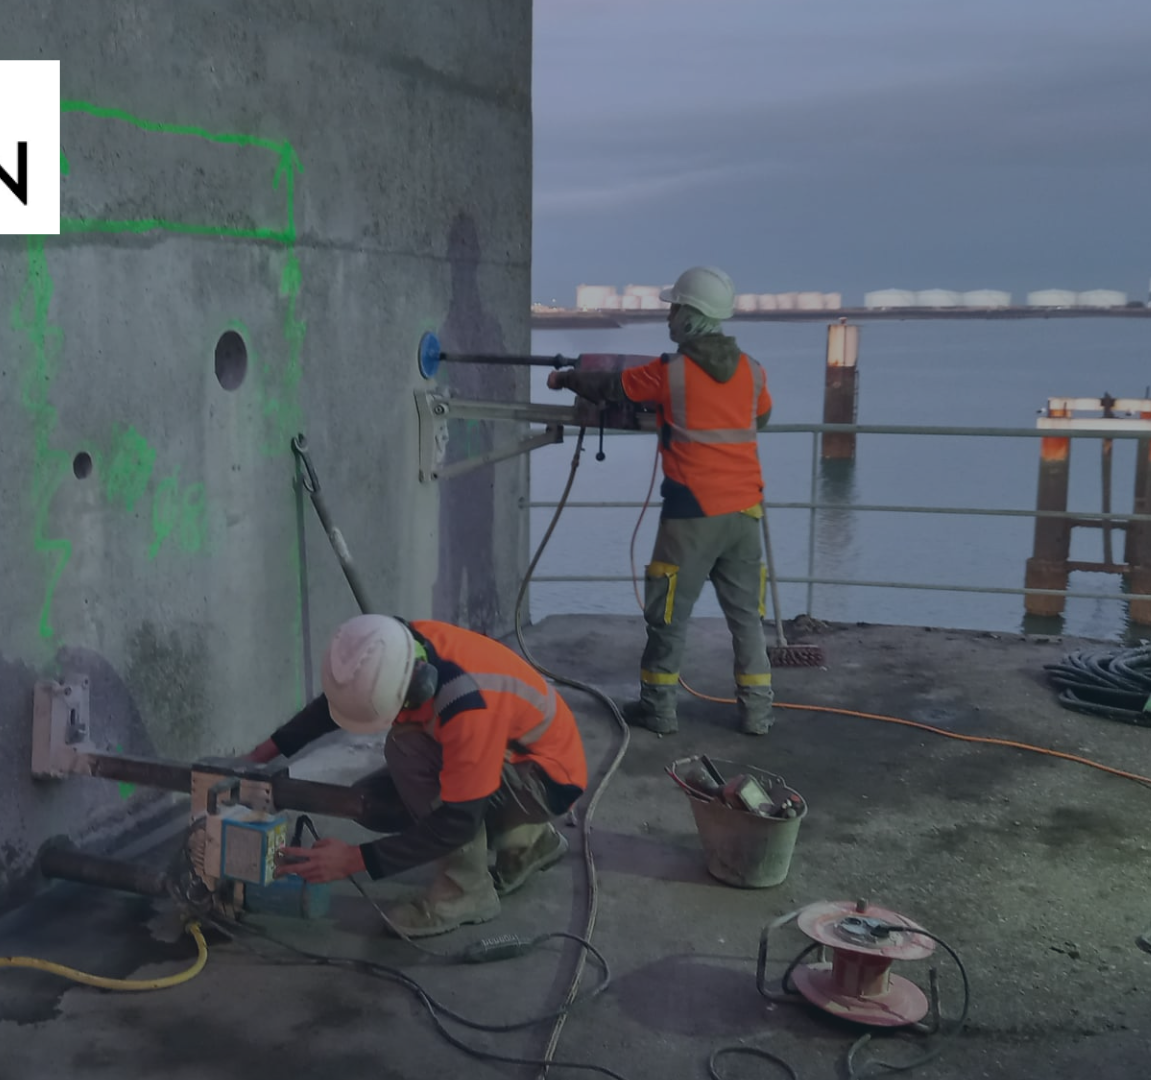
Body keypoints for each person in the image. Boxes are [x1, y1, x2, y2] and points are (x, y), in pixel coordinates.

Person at [246, 614, 589, 937]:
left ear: (416, 690)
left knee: (405, 747)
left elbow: (457, 823)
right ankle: (527, 840)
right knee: (376, 802)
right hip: (522, 758)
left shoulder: (466, 704)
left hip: (545, 781)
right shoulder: (395, 646)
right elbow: (340, 701)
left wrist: (353, 860)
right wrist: (261, 755)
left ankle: (466, 892)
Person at [547, 265, 776, 736]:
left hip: (691, 516)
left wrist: (566, 379)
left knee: (668, 616)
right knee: (747, 620)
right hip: (746, 515)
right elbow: (763, 416)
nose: (669, 316)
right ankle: (758, 713)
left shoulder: (672, 374)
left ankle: (658, 710)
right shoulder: (753, 370)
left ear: (691, 317)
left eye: (674, 308)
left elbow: (614, 386)